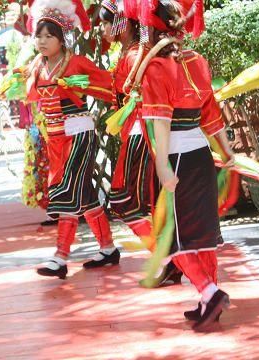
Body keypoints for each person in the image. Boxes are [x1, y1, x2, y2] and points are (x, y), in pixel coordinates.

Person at [140, 0, 234, 331]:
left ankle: (210, 292)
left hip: (177, 158)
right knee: (203, 234)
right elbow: (209, 112)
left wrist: (163, 167)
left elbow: (161, 122)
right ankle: (209, 301)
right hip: (200, 156)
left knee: (171, 237)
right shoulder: (197, 60)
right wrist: (226, 149)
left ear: (150, 31)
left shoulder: (156, 67)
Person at [25, 0, 121, 279]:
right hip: (55, 138)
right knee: (85, 196)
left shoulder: (76, 62)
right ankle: (108, 247)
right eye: (39, 35)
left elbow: (107, 85)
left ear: (61, 37)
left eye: (48, 35)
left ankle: (61, 256)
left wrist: (81, 86)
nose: (42, 41)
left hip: (79, 134)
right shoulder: (37, 66)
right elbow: (31, 95)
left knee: (68, 192)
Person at [100, 0, 183, 286]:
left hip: (140, 131)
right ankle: (168, 258)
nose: (103, 27)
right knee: (132, 201)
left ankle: (168, 258)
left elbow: (147, 96)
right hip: (134, 132)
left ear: (123, 21)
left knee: (124, 200)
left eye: (107, 21)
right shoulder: (131, 52)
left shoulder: (137, 54)